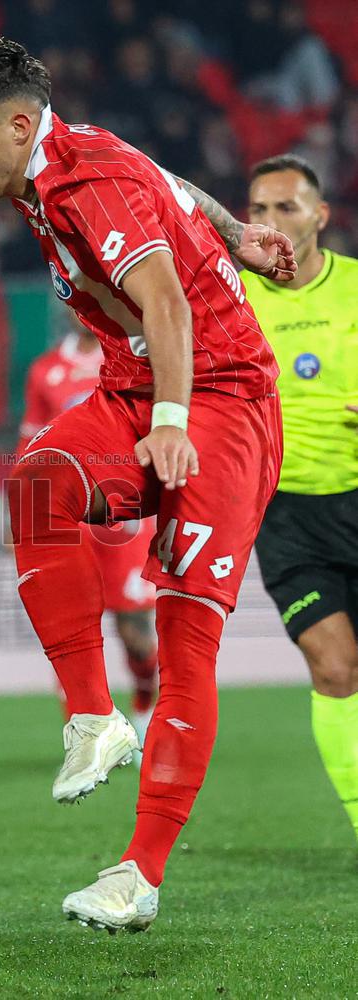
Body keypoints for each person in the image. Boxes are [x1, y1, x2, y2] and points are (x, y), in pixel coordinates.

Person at [0, 36, 295, 932]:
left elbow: (164, 300)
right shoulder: (64, 158)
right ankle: (94, 719)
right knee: (36, 483)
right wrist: (237, 234)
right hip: (135, 383)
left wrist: (172, 427)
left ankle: (140, 872)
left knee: (184, 634)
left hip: (222, 399)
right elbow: (176, 185)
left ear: (16, 125)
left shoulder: (87, 182)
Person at [241, 154, 358, 845]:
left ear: (321, 216)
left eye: (286, 207)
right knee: (336, 667)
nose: (270, 221)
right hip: (286, 514)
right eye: (257, 209)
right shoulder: (233, 300)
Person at [19, 315, 158, 750]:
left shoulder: (128, 357)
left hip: (123, 515)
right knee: (70, 626)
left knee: (136, 634)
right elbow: (31, 444)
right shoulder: (45, 371)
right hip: (67, 518)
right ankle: (87, 737)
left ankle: (144, 707)